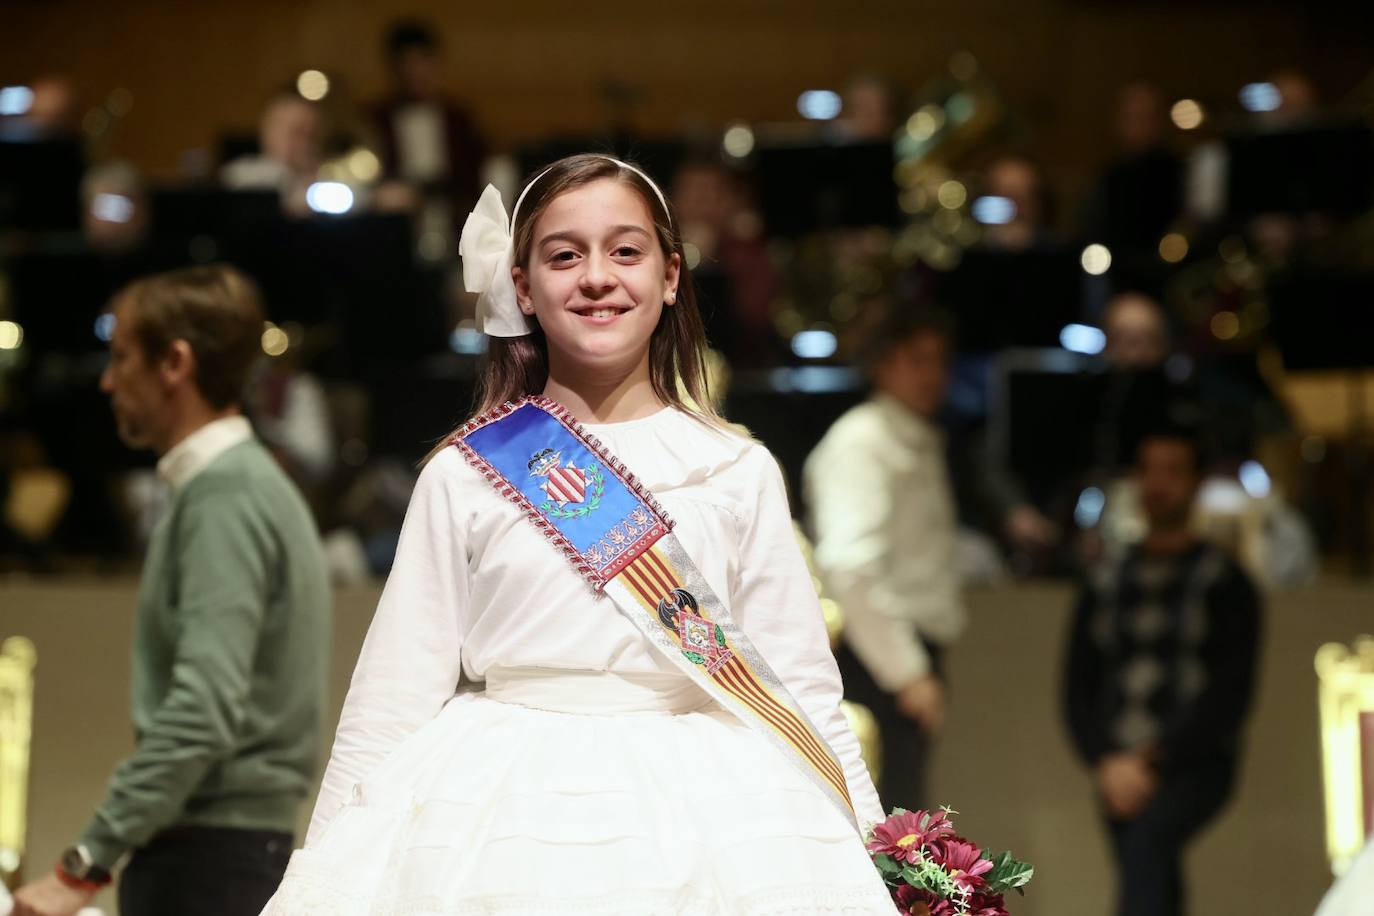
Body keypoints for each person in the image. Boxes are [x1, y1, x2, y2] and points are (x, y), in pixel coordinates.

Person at [260, 154, 893, 914]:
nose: (597, 277)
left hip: (708, 806)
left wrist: (877, 845)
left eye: (626, 251)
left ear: (670, 275)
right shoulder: (465, 473)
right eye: (565, 255)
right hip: (495, 804)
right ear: (521, 286)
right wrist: (329, 866)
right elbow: (391, 696)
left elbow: (800, 685)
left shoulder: (736, 469)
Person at [11, 265, 331, 916]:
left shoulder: (227, 493)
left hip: (210, 862)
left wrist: (82, 865)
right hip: (221, 852)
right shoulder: (236, 484)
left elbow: (203, 710)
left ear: (175, 363)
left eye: (122, 356)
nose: (108, 380)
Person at [1063, 425, 1261, 916]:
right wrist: (1107, 760)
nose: (1158, 484)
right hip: (1115, 766)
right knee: (1150, 871)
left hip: (1194, 764)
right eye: (1148, 470)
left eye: (1173, 471)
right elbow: (1077, 683)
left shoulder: (1226, 582)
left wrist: (1156, 760)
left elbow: (1230, 693)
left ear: (1196, 482)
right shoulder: (1105, 578)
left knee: (1147, 853)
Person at [803, 303, 965, 810]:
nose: (932, 375)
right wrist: (907, 671)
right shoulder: (863, 443)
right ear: (881, 363)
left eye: (939, 361)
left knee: (908, 820)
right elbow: (851, 566)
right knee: (889, 827)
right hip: (874, 660)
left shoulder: (914, 438)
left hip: (900, 654)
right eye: (916, 359)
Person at [221, 90, 324, 216]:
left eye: (309, 134)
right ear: (268, 132)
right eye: (296, 132)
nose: (304, 142)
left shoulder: (322, 177)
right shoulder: (239, 174)